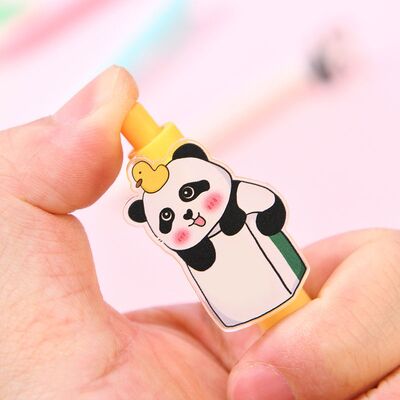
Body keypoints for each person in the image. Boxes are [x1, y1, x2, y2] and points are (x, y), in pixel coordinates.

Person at [0, 66, 398, 400]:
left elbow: (265, 206)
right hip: (234, 302)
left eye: (189, 194)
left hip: (273, 274)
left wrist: (266, 217)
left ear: (195, 161)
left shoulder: (235, 196)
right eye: (167, 217)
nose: (187, 214)